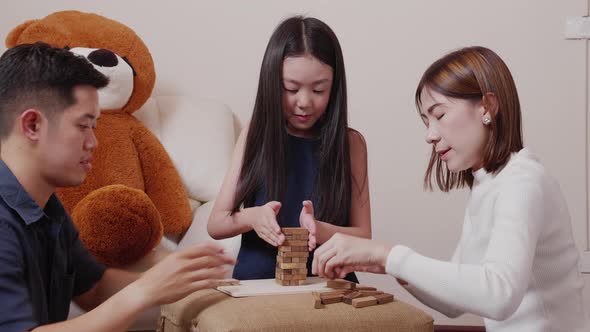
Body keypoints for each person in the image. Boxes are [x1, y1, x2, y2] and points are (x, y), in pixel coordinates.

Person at [312, 46, 589, 331]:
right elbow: (454, 305)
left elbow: (499, 295)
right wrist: (383, 264)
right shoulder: (488, 184)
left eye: (439, 115)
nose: (429, 136)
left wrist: (387, 254)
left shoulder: (522, 182)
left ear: (487, 106)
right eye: (426, 121)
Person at [0, 42, 235, 332]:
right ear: (33, 125)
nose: (93, 143)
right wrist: (144, 291)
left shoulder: (47, 206)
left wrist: (178, 279)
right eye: (83, 126)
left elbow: (94, 289)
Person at [207, 16, 371, 282]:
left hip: (327, 282)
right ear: (273, 83)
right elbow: (216, 224)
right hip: (258, 284)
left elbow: (363, 235)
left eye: (319, 89)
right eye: (290, 88)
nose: (304, 102)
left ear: (335, 86)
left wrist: (318, 229)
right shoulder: (255, 134)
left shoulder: (351, 144)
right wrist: (254, 217)